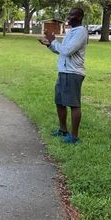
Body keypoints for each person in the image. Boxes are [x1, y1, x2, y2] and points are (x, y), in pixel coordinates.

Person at [39, 7, 88, 144]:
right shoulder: (71, 31)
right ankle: (63, 129)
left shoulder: (81, 32)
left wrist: (53, 40)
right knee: (59, 102)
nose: (68, 17)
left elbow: (67, 51)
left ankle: (74, 137)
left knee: (74, 104)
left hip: (73, 73)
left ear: (79, 17)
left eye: (72, 15)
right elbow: (61, 51)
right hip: (64, 71)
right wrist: (49, 45)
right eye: (69, 14)